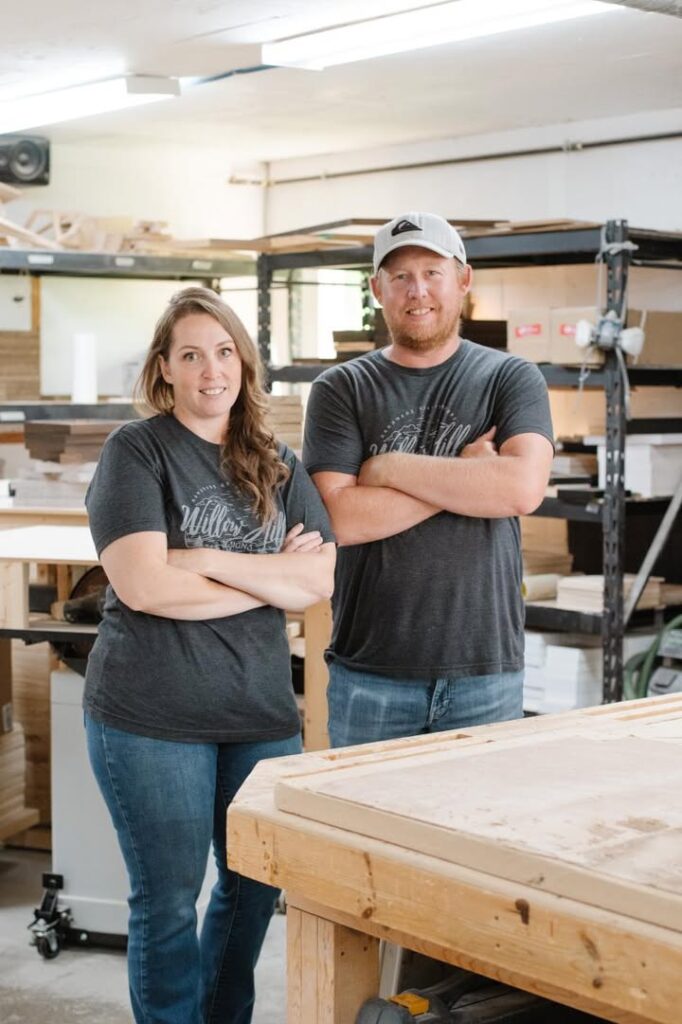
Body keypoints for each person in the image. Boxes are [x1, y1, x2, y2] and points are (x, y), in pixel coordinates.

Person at [83, 286, 335, 1024]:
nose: (210, 369)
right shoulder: (137, 451)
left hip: (257, 713)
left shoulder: (277, 462)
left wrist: (204, 560)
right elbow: (144, 587)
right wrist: (266, 581)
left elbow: (316, 579)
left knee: (255, 887)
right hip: (150, 717)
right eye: (191, 355)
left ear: (244, 365)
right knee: (166, 903)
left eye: (223, 352)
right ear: (165, 370)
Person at [303, 212, 553, 748]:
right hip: (370, 672)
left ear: (463, 279)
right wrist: (468, 477)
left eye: (432, 272)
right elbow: (338, 518)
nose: (417, 291)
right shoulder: (341, 389)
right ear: (377, 290)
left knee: (476, 830)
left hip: (485, 670)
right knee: (360, 832)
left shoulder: (510, 377)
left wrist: (390, 468)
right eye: (399, 276)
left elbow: (520, 489)